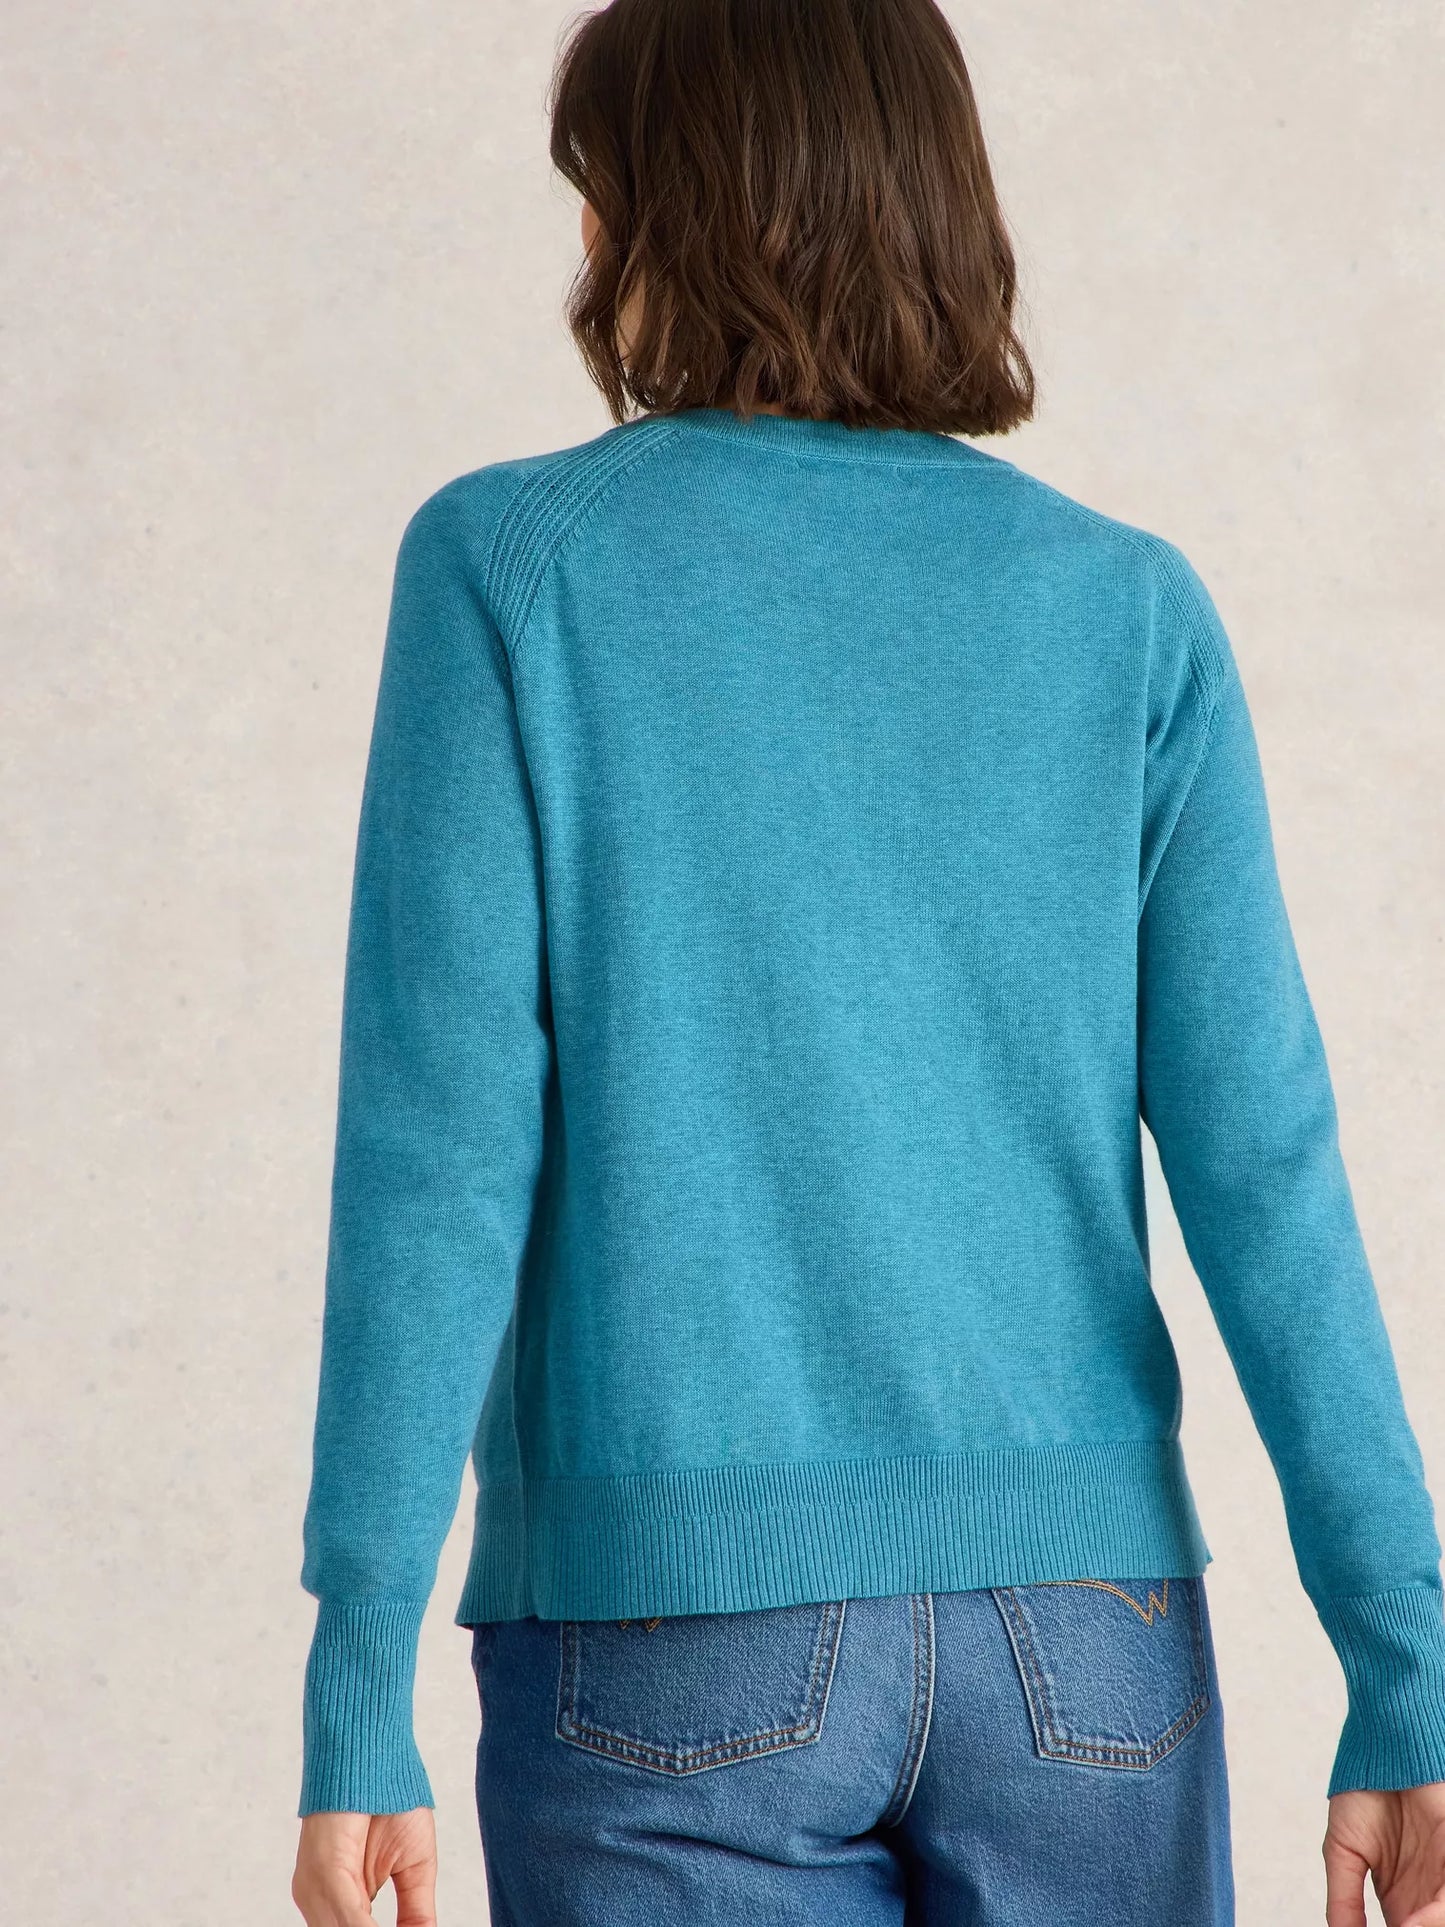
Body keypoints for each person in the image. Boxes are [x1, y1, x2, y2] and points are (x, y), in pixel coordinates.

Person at [289, 2, 1445, 1922]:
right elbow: (1266, 1166)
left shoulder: (512, 568)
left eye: (604, 188)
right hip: (1086, 1644)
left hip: (665, 1628)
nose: (584, 239)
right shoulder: (1125, 607)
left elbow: (437, 1155)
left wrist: (354, 1678)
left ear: (678, 211)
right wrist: (1407, 1664)